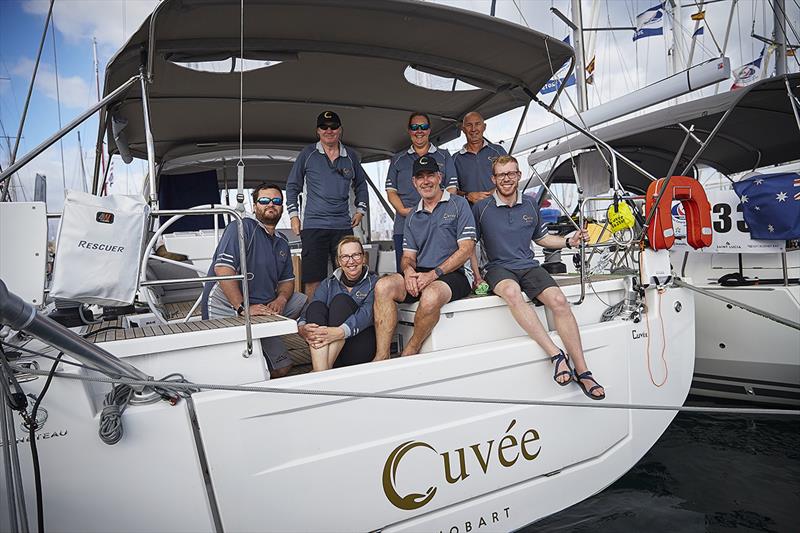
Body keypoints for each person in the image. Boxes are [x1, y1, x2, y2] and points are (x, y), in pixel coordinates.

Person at [472, 155, 605, 400]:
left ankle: (583, 370)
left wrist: (568, 241)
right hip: (498, 268)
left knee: (559, 301)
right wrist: (477, 276)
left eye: (511, 173)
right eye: (501, 175)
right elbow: (471, 245)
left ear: (519, 175)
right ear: (494, 179)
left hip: (528, 266)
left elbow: (542, 239)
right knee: (512, 293)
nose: (507, 179)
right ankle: (556, 355)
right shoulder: (482, 208)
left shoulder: (531, 204)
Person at [373, 156, 475, 359]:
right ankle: (382, 356)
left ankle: (411, 349)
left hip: (454, 274)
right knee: (383, 286)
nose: (425, 181)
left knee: (430, 296)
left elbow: (466, 249)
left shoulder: (459, 204)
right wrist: (409, 271)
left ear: (439, 177)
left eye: (430, 175)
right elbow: (408, 257)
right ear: (414, 182)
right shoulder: (412, 216)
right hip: (422, 273)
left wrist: (433, 275)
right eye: (420, 177)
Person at [202, 183, 307, 379]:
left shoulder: (282, 241)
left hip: (262, 310)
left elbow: (287, 281)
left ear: (282, 207)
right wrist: (243, 308)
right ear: (254, 206)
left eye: (276, 201)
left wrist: (281, 300)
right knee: (235, 370)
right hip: (228, 307)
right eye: (264, 200)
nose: (271, 204)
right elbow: (223, 270)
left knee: (282, 367)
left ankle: (265, 344)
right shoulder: (240, 227)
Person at [286, 110, 370, 300]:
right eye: (324, 127)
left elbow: (361, 185)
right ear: (318, 131)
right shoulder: (307, 154)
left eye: (333, 127)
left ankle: (346, 315)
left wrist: (361, 209)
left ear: (340, 130)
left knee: (348, 275)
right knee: (314, 278)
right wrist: (294, 217)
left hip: (342, 225)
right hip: (313, 225)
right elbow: (292, 186)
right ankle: (313, 317)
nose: (329, 130)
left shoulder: (350, 156)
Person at [385, 112, 458, 271]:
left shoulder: (444, 156)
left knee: (439, 274)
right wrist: (404, 211)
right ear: (409, 131)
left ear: (429, 130)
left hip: (439, 224)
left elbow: (452, 188)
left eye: (423, 127)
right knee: (407, 276)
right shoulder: (398, 159)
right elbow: (391, 191)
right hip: (404, 225)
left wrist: (437, 212)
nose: (419, 131)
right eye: (415, 127)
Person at [297, 236, 378, 371]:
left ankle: (319, 372)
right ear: (338, 261)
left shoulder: (375, 283)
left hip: (358, 350)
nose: (351, 261)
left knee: (340, 302)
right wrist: (302, 327)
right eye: (345, 256)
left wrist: (338, 332)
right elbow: (311, 310)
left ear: (364, 258)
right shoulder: (328, 283)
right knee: (316, 307)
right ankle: (322, 371)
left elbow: (367, 314)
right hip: (330, 351)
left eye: (356, 255)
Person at [453, 111, 507, 288]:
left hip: (498, 213)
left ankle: (502, 282)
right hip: (470, 215)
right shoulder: (455, 159)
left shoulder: (498, 151)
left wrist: (495, 191)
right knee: (472, 252)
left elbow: (510, 178)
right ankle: (478, 282)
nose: (473, 129)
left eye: (477, 124)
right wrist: (468, 195)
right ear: (463, 129)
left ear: (484, 127)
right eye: (469, 125)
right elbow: (451, 192)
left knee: (499, 254)